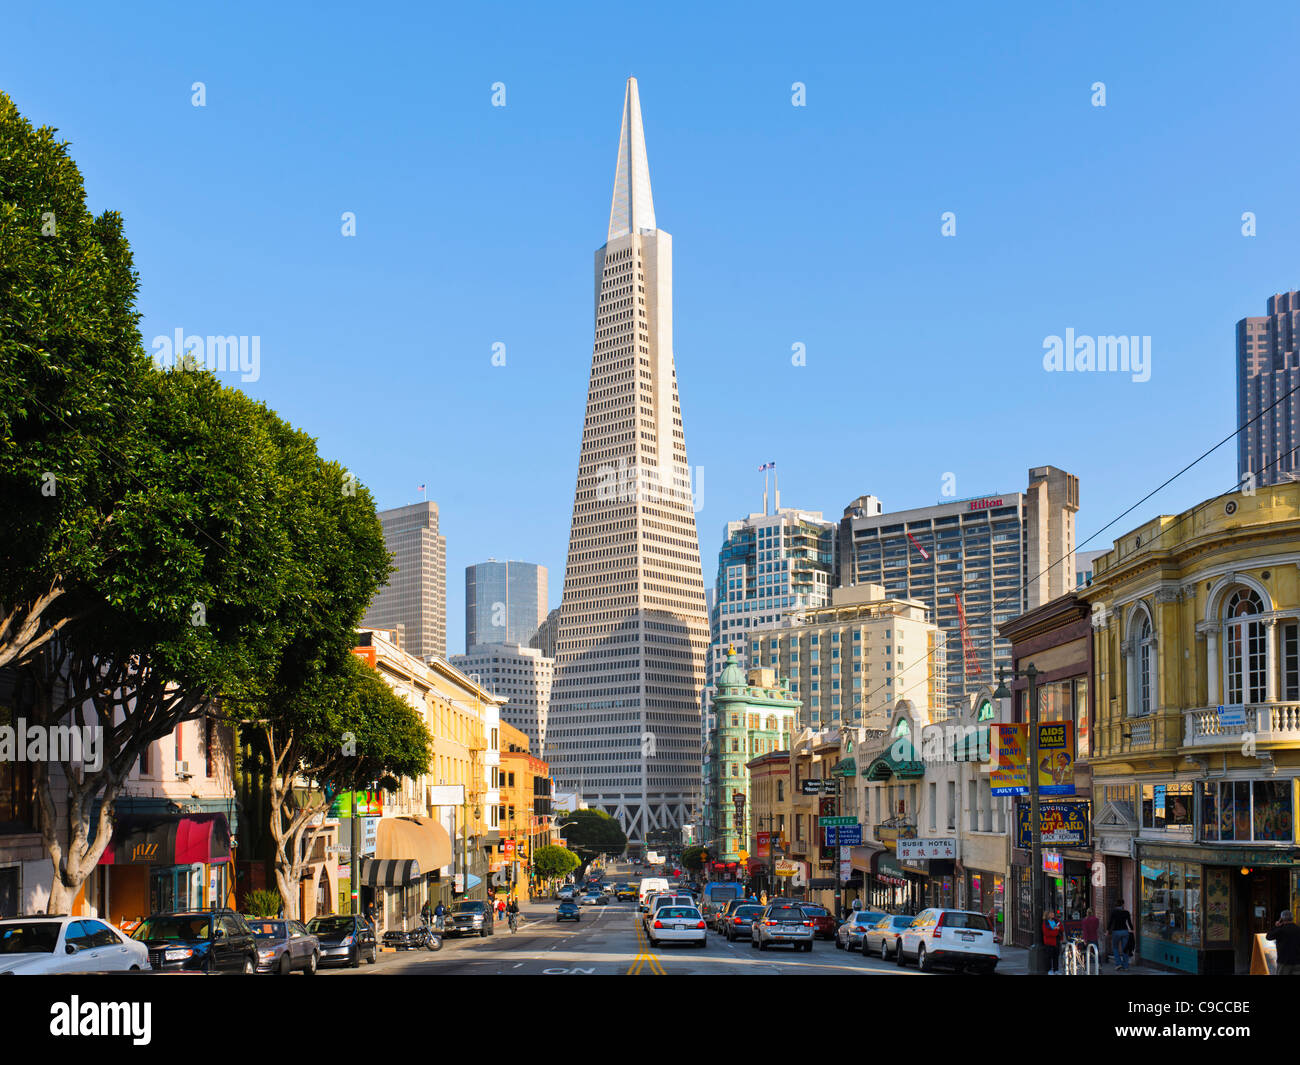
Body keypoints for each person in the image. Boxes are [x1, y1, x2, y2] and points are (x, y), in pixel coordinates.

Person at [1266, 910, 1300, 975]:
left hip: (1284, 962)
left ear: (1282, 919)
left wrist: (1276, 926)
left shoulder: (1280, 930)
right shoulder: (1298, 929)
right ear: (1292, 918)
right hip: (1297, 962)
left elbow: (1268, 936)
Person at [1108, 898, 1134, 970]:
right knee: (1125, 949)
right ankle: (1126, 966)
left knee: (1115, 948)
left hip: (1116, 931)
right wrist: (1132, 929)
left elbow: (1110, 922)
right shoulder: (1126, 912)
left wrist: (1107, 930)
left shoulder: (1114, 912)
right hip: (1125, 931)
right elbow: (1129, 922)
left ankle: (1118, 964)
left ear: (1116, 904)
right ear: (1123, 904)